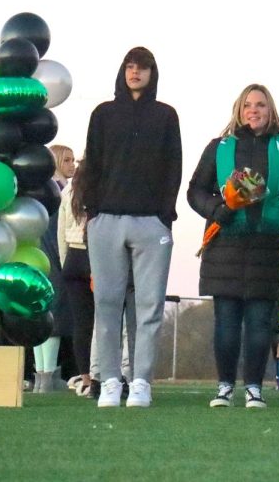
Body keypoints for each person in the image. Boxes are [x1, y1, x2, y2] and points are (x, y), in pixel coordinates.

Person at [188, 84, 279, 408]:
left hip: (268, 243)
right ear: (239, 110)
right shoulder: (218, 147)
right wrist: (219, 210)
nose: (254, 110)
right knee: (226, 321)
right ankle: (225, 386)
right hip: (226, 242)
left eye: (260, 105)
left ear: (270, 109)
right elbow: (195, 191)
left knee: (260, 323)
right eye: (248, 105)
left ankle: (255, 387)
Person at [82, 46, 181, 408]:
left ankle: (140, 381)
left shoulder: (166, 116)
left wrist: (164, 215)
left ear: (153, 73)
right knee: (107, 303)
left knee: (149, 305)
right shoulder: (103, 114)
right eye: (130, 66)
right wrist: (93, 213)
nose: (135, 72)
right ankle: (109, 380)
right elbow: (90, 163)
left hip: (150, 223)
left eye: (142, 67)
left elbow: (173, 166)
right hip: (106, 219)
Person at [32, 144, 76, 392]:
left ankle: (42, 375)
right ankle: (47, 374)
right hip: (54, 256)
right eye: (67, 160)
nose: (73, 165)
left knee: (43, 315)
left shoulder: (40, 190)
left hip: (40, 256)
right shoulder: (60, 192)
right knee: (54, 317)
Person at [58, 156, 95, 397]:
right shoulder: (102, 184)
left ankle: (86, 379)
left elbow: (61, 230)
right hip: (96, 256)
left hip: (73, 257)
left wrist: (65, 265)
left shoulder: (69, 189)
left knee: (81, 324)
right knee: (105, 322)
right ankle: (105, 376)